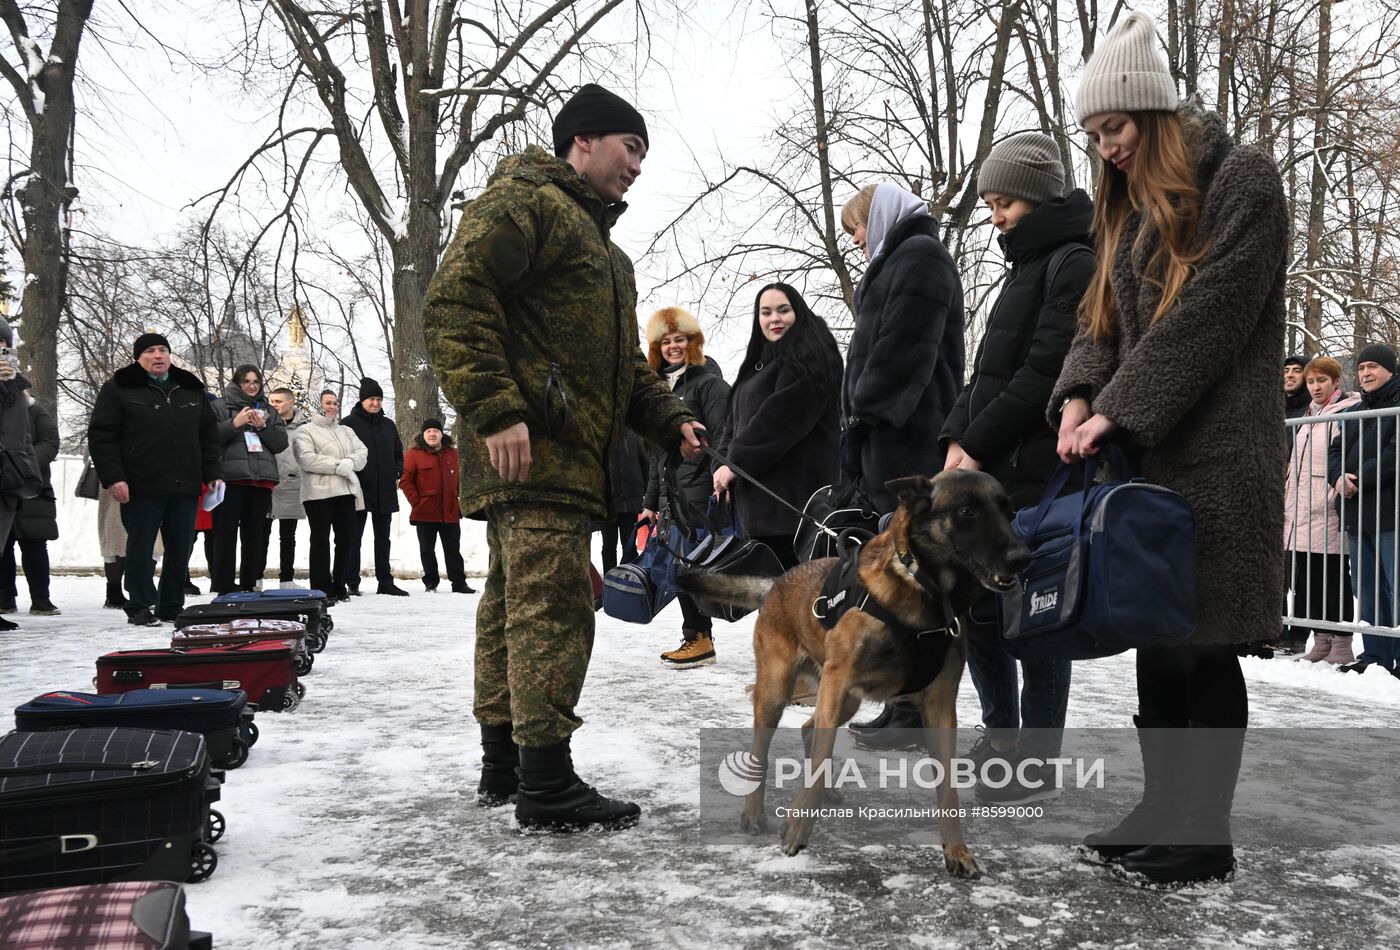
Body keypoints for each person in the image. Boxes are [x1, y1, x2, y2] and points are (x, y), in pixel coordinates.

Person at [422, 82, 704, 833]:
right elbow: (453, 302)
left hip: (560, 460)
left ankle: (505, 766)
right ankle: (547, 785)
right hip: (531, 451)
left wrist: (670, 418)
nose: (638, 166)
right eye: (631, 147)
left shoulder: (604, 251)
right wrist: (497, 409)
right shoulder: (526, 203)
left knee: (513, 604)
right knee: (550, 609)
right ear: (584, 140)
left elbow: (620, 368)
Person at [1051, 11, 1289, 885]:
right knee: (1159, 638)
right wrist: (1079, 393)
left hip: (1223, 457)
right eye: (1092, 133)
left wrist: (1117, 409)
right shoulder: (1122, 208)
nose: (1104, 146)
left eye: (1112, 127)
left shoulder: (1243, 180)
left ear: (1150, 115)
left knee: (1206, 639)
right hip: (1148, 459)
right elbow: (1098, 321)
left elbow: (1212, 316)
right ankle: (1162, 807)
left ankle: (1204, 830)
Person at [928, 132, 1096, 798]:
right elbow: (986, 375)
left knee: (1040, 617)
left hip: (1036, 470)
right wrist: (953, 438)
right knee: (983, 613)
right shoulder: (1022, 270)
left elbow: (1043, 376)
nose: (995, 216)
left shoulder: (1074, 264)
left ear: (1037, 197)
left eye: (1004, 203)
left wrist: (977, 444)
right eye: (992, 204)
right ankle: (1000, 734)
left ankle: (1038, 754)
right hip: (990, 470)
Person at [837, 180, 965, 741]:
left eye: (857, 228)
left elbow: (902, 348)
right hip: (889, 433)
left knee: (913, 574)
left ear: (879, 216)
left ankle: (916, 706)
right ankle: (901, 697)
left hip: (909, 433)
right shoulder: (898, 261)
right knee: (894, 571)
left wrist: (864, 408)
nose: (857, 242)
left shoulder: (920, 257)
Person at [88, 333, 223, 626]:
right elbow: (102, 437)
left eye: (163, 349)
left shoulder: (190, 387)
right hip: (141, 484)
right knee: (140, 545)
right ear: (139, 357)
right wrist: (114, 478)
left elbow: (208, 436)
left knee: (181, 546)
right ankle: (138, 603)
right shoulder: (119, 388)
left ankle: (171, 604)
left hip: (184, 484)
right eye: (150, 350)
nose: (158, 355)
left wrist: (213, 475)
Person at [712, 283, 842, 569]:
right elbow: (732, 423)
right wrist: (721, 463)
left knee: (799, 606)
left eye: (784, 310)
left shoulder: (811, 357)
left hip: (795, 512)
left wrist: (735, 463)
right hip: (760, 512)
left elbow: (779, 419)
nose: (774, 319)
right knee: (775, 608)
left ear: (798, 312)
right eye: (766, 312)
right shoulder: (758, 365)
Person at [639, 306, 730, 669]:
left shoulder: (708, 384)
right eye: (666, 342)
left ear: (692, 343)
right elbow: (658, 454)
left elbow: (723, 435)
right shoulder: (659, 388)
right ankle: (696, 636)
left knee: (696, 567)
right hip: (668, 494)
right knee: (679, 567)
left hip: (698, 491)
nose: (673, 347)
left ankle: (700, 636)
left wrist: (720, 474)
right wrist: (649, 502)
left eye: (679, 340)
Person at [1326, 343, 1400, 678]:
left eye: (1372, 366)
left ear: (1389, 369)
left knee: (1395, 586)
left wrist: (1359, 478)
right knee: (1368, 588)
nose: (1366, 373)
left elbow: (1395, 453)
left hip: (1391, 511)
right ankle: (1375, 655)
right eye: (1361, 368)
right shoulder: (1355, 408)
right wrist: (1338, 477)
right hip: (1358, 511)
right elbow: (1335, 450)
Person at [1287, 357, 1359, 664]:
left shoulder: (1345, 411)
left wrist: (1329, 494)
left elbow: (1342, 457)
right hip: (1301, 509)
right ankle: (1321, 638)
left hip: (1327, 509)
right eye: (1312, 382)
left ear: (1335, 383)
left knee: (1334, 578)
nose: (1315, 387)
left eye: (1321, 381)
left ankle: (1341, 642)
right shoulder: (1309, 414)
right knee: (1310, 578)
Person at [209, 365, 288, 594]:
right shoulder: (220, 407)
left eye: (256, 381)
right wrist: (235, 423)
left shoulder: (269, 411)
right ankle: (223, 584)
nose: (252, 386)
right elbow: (208, 438)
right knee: (225, 534)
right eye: (246, 381)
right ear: (237, 383)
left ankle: (249, 583)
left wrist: (262, 426)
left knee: (255, 536)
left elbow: (280, 443)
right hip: (231, 479)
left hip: (261, 480)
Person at [293, 390, 368, 601]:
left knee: (346, 539)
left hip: (346, 491)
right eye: (328, 403)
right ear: (319, 405)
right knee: (320, 540)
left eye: (335, 403)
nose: (332, 407)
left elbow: (362, 452)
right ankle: (321, 587)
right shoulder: (305, 431)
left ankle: (339, 584)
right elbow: (307, 459)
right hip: (318, 494)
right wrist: (338, 465)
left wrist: (350, 463)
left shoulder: (346, 430)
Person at [341, 377, 409, 596]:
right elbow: (342, 454)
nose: (376, 403)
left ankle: (385, 582)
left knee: (383, 538)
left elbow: (398, 452)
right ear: (362, 400)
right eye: (371, 398)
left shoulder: (388, 425)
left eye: (379, 399)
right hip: (358, 489)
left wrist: (397, 470)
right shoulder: (348, 424)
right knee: (353, 537)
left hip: (385, 489)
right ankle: (351, 581)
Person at [0, 392, 61, 616]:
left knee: (35, 544)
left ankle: (41, 598)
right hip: (3, 488)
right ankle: (5, 597)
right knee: (3, 545)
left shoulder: (35, 411)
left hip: (33, 486)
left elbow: (50, 441)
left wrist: (25, 463)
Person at [400, 418, 474, 594]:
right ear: (423, 434)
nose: (432, 434)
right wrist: (417, 502)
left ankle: (459, 583)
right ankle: (431, 582)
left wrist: (459, 497)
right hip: (425, 511)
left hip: (450, 510)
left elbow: (462, 478)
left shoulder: (454, 454)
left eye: (436, 431)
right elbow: (406, 480)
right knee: (427, 549)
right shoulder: (413, 454)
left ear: (442, 434)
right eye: (428, 432)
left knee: (453, 549)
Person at [0, 319, 38, 632]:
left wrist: (28, 470)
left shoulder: (17, 386)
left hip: (8, 476)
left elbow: (25, 433)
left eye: (3, 345)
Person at [264, 387, 309, 588]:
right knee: (260, 534)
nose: (274, 405)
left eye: (279, 401)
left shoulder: (305, 427)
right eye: (272, 401)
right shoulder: (262, 422)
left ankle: (287, 579)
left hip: (291, 483)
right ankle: (255, 578)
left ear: (291, 403)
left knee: (288, 536)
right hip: (266, 483)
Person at [601, 428, 647, 574]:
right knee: (608, 546)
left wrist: (648, 496)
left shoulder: (634, 434)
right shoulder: (602, 434)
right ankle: (609, 582)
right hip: (608, 502)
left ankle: (629, 583)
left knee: (629, 546)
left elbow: (644, 464)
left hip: (630, 501)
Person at [1284, 355, 1310, 422]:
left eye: (1297, 371)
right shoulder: (1271, 408)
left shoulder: (1315, 407)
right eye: (1286, 371)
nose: (1289, 375)